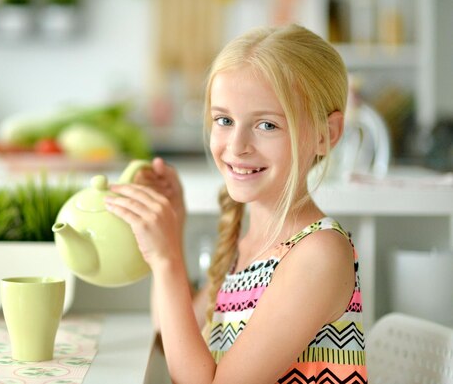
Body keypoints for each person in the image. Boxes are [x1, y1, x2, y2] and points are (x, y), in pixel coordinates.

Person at [104, 24, 367, 384]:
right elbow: (171, 337)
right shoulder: (247, 247)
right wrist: (174, 231)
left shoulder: (318, 254)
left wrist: (165, 261)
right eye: (224, 120)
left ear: (326, 135)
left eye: (267, 125)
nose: (236, 145)